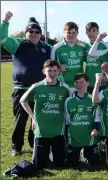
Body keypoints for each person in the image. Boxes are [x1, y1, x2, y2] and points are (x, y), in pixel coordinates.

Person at [1, 11, 51, 156]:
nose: (34, 33)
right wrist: (5, 21)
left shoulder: (46, 47)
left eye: (37, 31)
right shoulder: (18, 44)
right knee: (20, 119)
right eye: (31, 31)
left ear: (40, 33)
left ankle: (33, 142)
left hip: (40, 89)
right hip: (21, 89)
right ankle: (16, 146)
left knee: (37, 118)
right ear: (26, 32)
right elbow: (2, 38)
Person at [20, 60, 70, 170]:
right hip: (41, 129)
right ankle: (45, 154)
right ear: (43, 71)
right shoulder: (36, 86)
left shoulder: (64, 88)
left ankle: (53, 155)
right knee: (39, 165)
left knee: (60, 163)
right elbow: (23, 100)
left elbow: (71, 102)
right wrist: (33, 117)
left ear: (58, 72)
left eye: (55, 71)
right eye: (49, 71)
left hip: (58, 129)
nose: (52, 73)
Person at [65, 73, 100, 166]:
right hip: (74, 139)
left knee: (95, 163)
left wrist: (95, 129)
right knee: (71, 164)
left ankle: (84, 153)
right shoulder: (68, 101)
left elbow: (97, 117)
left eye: (82, 82)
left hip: (90, 138)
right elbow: (67, 120)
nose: (79, 85)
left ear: (88, 83)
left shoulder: (93, 99)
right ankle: (79, 153)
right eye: (76, 82)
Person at [51, 22, 87, 89]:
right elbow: (50, 67)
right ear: (64, 33)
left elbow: (90, 63)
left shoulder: (83, 47)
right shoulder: (56, 48)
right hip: (62, 85)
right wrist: (59, 68)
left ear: (77, 33)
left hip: (79, 85)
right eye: (68, 32)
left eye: (73, 33)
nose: (71, 35)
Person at [84, 22, 108, 94]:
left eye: (93, 30)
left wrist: (107, 76)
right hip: (88, 83)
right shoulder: (85, 45)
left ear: (98, 32)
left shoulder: (105, 45)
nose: (91, 33)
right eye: (88, 31)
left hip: (101, 83)